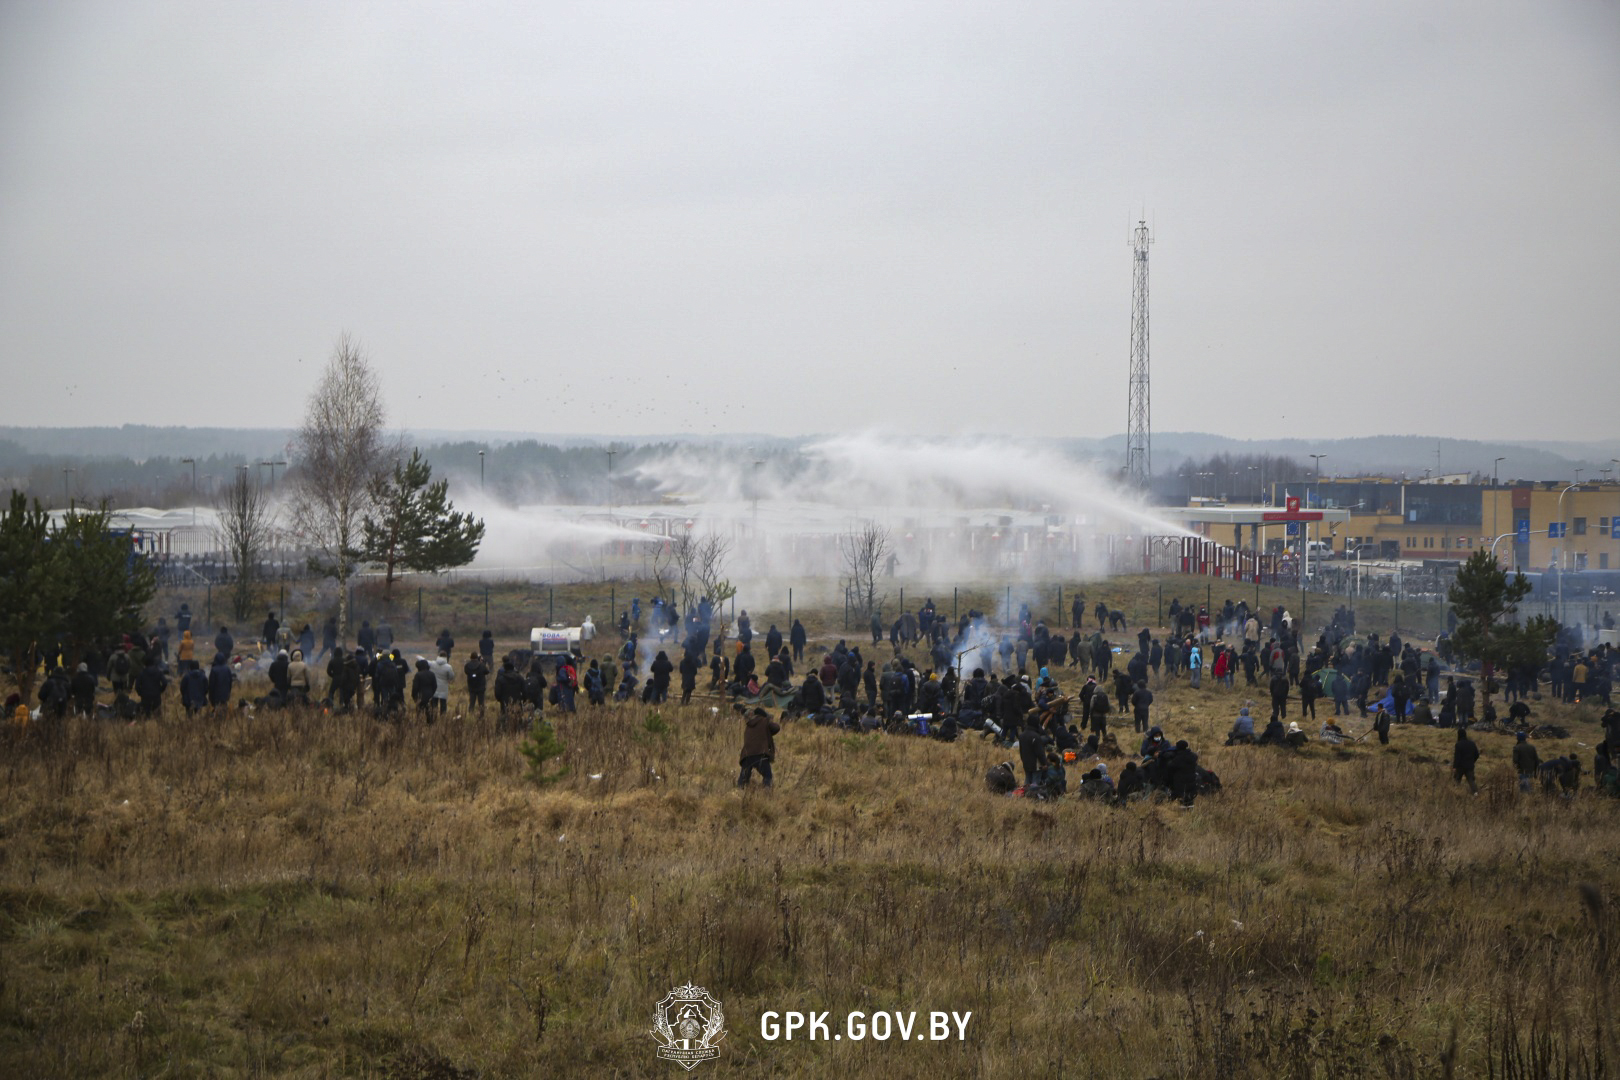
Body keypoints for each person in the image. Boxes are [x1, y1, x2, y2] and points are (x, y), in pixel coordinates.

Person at [738, 707, 780, 787]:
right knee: (768, 776)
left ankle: (738, 794)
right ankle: (766, 795)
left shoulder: (749, 724)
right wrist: (769, 720)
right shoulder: (765, 721)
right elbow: (776, 728)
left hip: (746, 755)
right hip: (760, 753)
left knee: (743, 780)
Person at [1452, 726, 1480, 795]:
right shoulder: (1472, 743)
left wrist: (1455, 767)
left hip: (1460, 766)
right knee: (1471, 780)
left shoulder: (1458, 744)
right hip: (1470, 765)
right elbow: (1477, 754)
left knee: (1457, 780)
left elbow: (1457, 757)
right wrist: (1472, 761)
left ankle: (1456, 792)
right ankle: (1475, 793)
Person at [465, 650, 490, 714]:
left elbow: (466, 672)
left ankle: (470, 714)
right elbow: (487, 671)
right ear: (477, 657)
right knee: (481, 703)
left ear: (470, 657)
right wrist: (482, 663)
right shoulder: (481, 665)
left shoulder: (467, 665)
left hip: (471, 686)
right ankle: (481, 716)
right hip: (480, 686)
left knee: (472, 702)